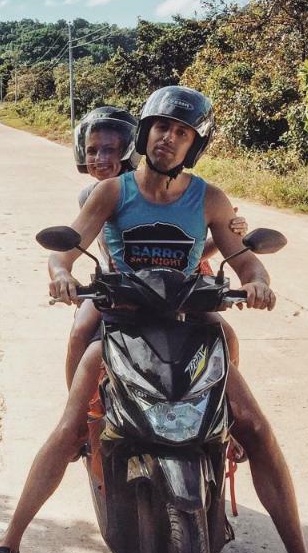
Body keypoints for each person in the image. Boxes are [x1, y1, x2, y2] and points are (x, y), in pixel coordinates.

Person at [0, 88, 308, 553]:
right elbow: (70, 244)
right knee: (70, 428)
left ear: (194, 143)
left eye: (182, 132)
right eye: (161, 127)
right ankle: (9, 545)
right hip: (123, 324)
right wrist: (61, 273)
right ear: (146, 132)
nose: (168, 138)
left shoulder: (209, 199)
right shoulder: (112, 192)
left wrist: (258, 283)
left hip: (190, 325)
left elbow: (244, 258)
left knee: (255, 426)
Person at [66, 106, 246, 388]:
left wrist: (228, 234)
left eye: (110, 151)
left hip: (180, 286)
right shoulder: (97, 194)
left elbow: (189, 242)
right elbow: (82, 246)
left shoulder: (160, 187)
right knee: (80, 332)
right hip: (122, 289)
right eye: (93, 151)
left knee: (226, 337)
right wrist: (65, 274)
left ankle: (218, 397)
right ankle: (79, 412)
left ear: (130, 149)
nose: (101, 159)